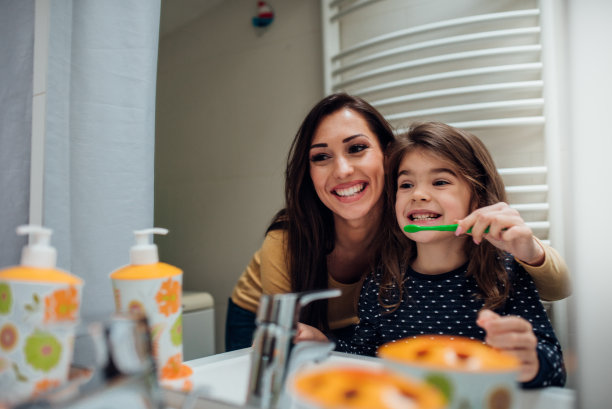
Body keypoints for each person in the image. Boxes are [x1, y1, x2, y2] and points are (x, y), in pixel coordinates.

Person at [226, 93, 571, 352]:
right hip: (286, 323)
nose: (342, 170)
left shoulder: (421, 228)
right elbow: (350, 345)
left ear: (388, 155)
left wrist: (528, 249)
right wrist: (325, 342)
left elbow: (557, 293)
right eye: (321, 157)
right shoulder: (292, 243)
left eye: (357, 148)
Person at [297, 122, 566, 387]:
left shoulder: (505, 274)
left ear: (478, 200)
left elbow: (555, 368)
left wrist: (530, 362)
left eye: (440, 182)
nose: (419, 194)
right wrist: (325, 343)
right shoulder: (381, 282)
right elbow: (366, 357)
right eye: (406, 185)